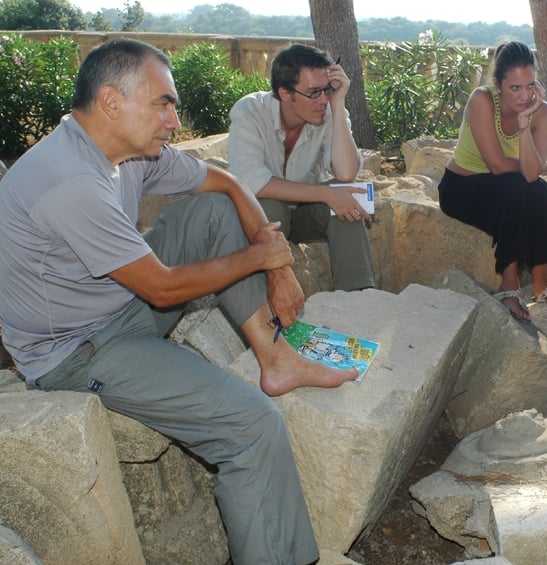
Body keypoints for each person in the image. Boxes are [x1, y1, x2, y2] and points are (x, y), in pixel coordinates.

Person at [0, 38, 359, 564]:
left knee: (214, 210)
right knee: (252, 427)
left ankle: (275, 358)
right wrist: (263, 260)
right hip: (79, 351)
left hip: (119, 304)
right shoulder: (70, 180)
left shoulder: (122, 150)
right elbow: (162, 288)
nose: (174, 121)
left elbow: (229, 182)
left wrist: (278, 262)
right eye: (163, 103)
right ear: (111, 102)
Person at [437, 40, 547, 323]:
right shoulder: (482, 100)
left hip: (505, 187)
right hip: (461, 188)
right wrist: (546, 165)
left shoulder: (543, 112)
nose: (524, 96)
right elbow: (498, 165)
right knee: (516, 188)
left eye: (530, 86)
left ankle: (541, 283)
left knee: (537, 189)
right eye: (515, 88)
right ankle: (509, 284)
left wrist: (525, 121)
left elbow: (530, 174)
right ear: (497, 84)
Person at [228, 43, 374, 291]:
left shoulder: (329, 109)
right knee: (269, 206)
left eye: (327, 90)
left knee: (348, 197)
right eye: (314, 92)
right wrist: (327, 194)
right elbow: (251, 180)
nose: (323, 99)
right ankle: (263, 303)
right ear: (285, 93)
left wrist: (339, 104)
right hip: (266, 216)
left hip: (306, 213)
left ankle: (357, 297)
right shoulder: (250, 110)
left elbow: (347, 173)